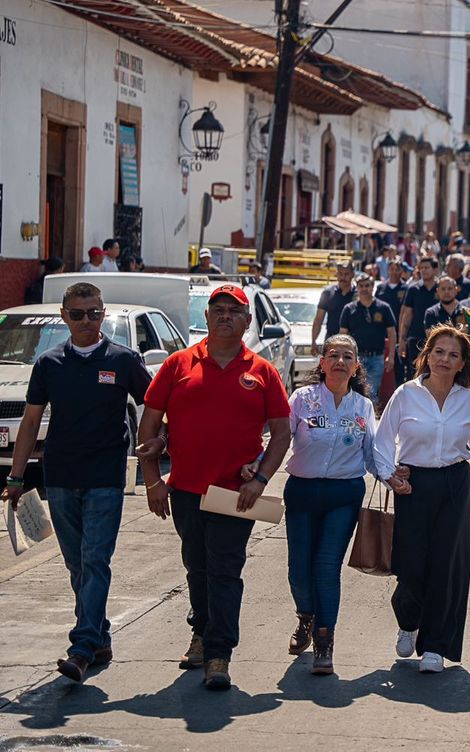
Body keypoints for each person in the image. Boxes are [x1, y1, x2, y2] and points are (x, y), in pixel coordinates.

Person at [137, 284, 291, 690]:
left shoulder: (262, 371)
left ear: (247, 320)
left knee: (225, 570)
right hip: (185, 490)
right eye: (217, 309)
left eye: (233, 310)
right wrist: (154, 481)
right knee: (197, 566)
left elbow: (281, 433)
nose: (224, 315)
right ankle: (202, 632)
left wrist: (260, 480)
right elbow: (150, 426)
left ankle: (219, 654)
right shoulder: (177, 364)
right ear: (206, 317)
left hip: (235, 495)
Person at [2, 283, 152, 682]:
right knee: (76, 564)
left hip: (105, 477)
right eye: (77, 314)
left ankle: (82, 646)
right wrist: (16, 477)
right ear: (64, 317)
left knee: (94, 559)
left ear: (102, 315)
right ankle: (100, 636)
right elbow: (31, 421)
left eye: (93, 313)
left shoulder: (124, 360)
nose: (86, 321)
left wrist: (156, 446)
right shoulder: (49, 363)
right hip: (61, 477)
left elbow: (156, 404)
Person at [374, 325, 470, 674]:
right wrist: (390, 476)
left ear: (463, 363)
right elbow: (383, 441)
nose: (445, 359)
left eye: (453, 355)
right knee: (411, 564)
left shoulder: (468, 400)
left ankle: (434, 646)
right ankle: (408, 621)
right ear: (427, 355)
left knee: (446, 565)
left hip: (454, 484)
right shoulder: (405, 394)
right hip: (412, 485)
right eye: (439, 352)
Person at [283, 335, 378, 676]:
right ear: (321, 363)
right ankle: (305, 616)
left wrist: (395, 475)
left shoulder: (363, 407)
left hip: (344, 495)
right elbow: (280, 439)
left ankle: (325, 641)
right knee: (298, 570)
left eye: (347, 356)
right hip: (302, 493)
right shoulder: (302, 399)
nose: (339, 361)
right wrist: (257, 467)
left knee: (325, 567)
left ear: (356, 367)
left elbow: (373, 455)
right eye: (333, 355)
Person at [339, 274, 396, 405]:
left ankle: (368, 423)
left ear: (373, 287)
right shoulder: (349, 309)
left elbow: (392, 333)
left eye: (367, 285)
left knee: (372, 392)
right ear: (357, 288)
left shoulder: (384, 308)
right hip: (355, 358)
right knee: (353, 391)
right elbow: (343, 336)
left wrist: (391, 356)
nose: (364, 289)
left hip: (377, 358)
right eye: (361, 286)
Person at [398, 257, 440, 378]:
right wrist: (402, 340)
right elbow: (407, 315)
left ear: (435, 270)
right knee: (415, 374)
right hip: (416, 339)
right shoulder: (413, 289)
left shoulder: (442, 288)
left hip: (437, 340)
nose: (423, 270)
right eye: (421, 268)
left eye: (427, 267)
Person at [312, 263, 356, 357]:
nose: (343, 277)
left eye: (346, 274)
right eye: (340, 273)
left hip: (353, 340)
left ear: (353, 274)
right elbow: (318, 319)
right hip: (332, 338)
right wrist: (313, 341)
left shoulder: (358, 294)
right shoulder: (328, 293)